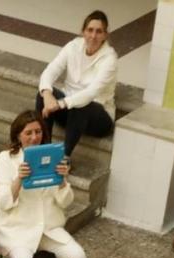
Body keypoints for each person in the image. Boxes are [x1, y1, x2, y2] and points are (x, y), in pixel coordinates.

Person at [0, 112, 90, 258]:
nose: (34, 137)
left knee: (77, 255)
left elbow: (65, 202)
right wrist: (19, 179)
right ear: (18, 135)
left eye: (38, 132)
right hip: (16, 228)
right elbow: (3, 202)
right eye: (28, 133)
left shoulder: (52, 157)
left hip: (48, 228)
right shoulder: (6, 159)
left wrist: (62, 180)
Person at [37, 11, 117, 154]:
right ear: (83, 32)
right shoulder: (73, 46)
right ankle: (43, 150)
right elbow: (50, 71)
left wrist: (60, 103)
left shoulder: (109, 59)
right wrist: (47, 94)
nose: (93, 36)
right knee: (42, 94)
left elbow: (90, 93)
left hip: (99, 118)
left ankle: (64, 158)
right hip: (70, 114)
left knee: (81, 104)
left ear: (105, 35)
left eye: (99, 31)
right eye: (90, 30)